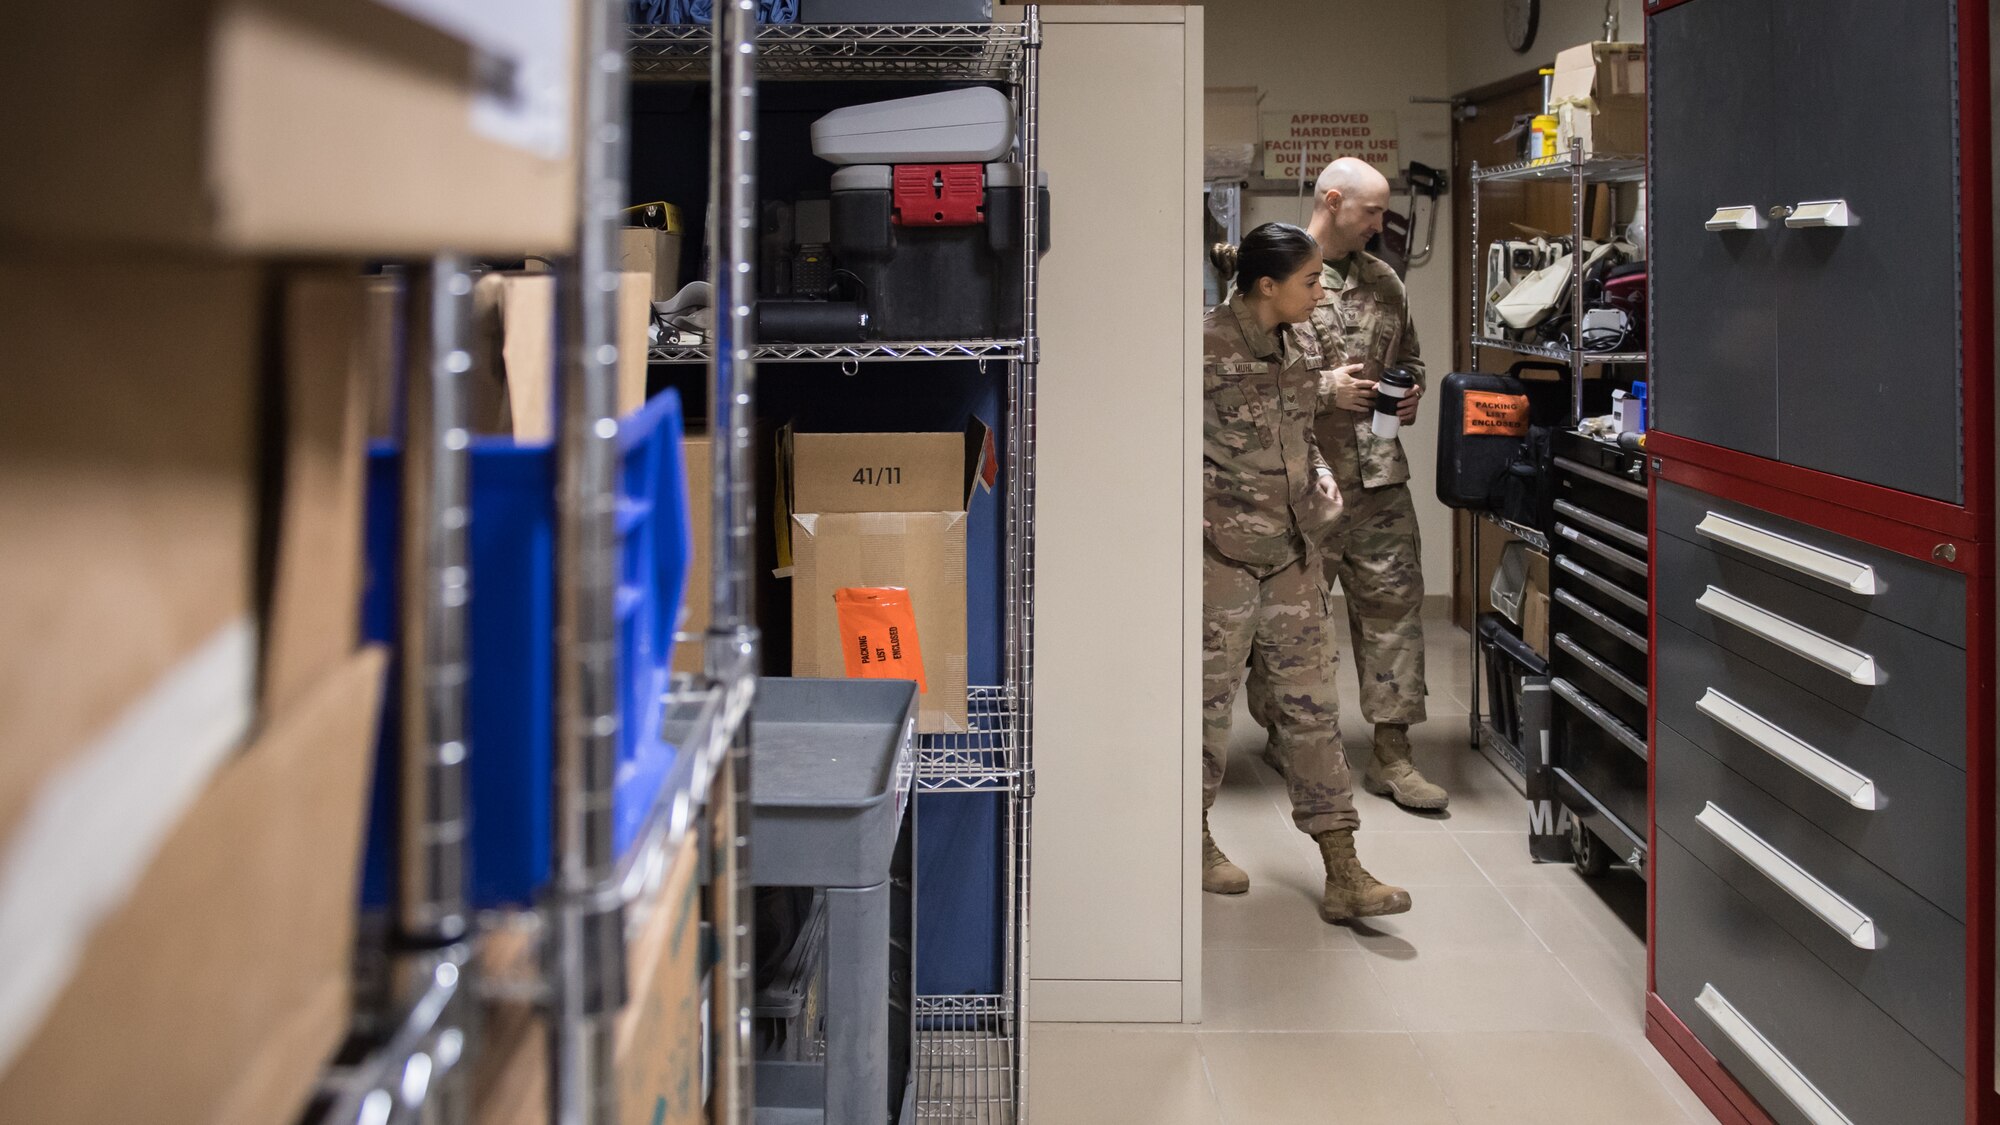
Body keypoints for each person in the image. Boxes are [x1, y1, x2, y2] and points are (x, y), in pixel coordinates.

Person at [1201, 222, 1412, 922]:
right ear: (1269, 286)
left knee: (1313, 712)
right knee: (1203, 713)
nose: (1322, 295)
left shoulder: (1299, 348)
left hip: (1293, 556)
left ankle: (1343, 867)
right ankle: (1189, 838)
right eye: (1311, 282)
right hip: (1220, 559)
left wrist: (1320, 474)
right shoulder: (1202, 347)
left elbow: (1297, 429)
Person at [1247, 157, 1448, 813]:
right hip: (1302, 482)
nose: (1381, 223)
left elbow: (1408, 357)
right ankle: (1288, 733)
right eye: (1372, 211)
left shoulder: (1385, 279)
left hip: (1379, 477)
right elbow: (1234, 383)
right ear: (1333, 201)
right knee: (1293, 621)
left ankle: (1392, 754)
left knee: (1394, 610)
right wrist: (1320, 388)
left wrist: (1410, 390)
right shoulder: (1270, 276)